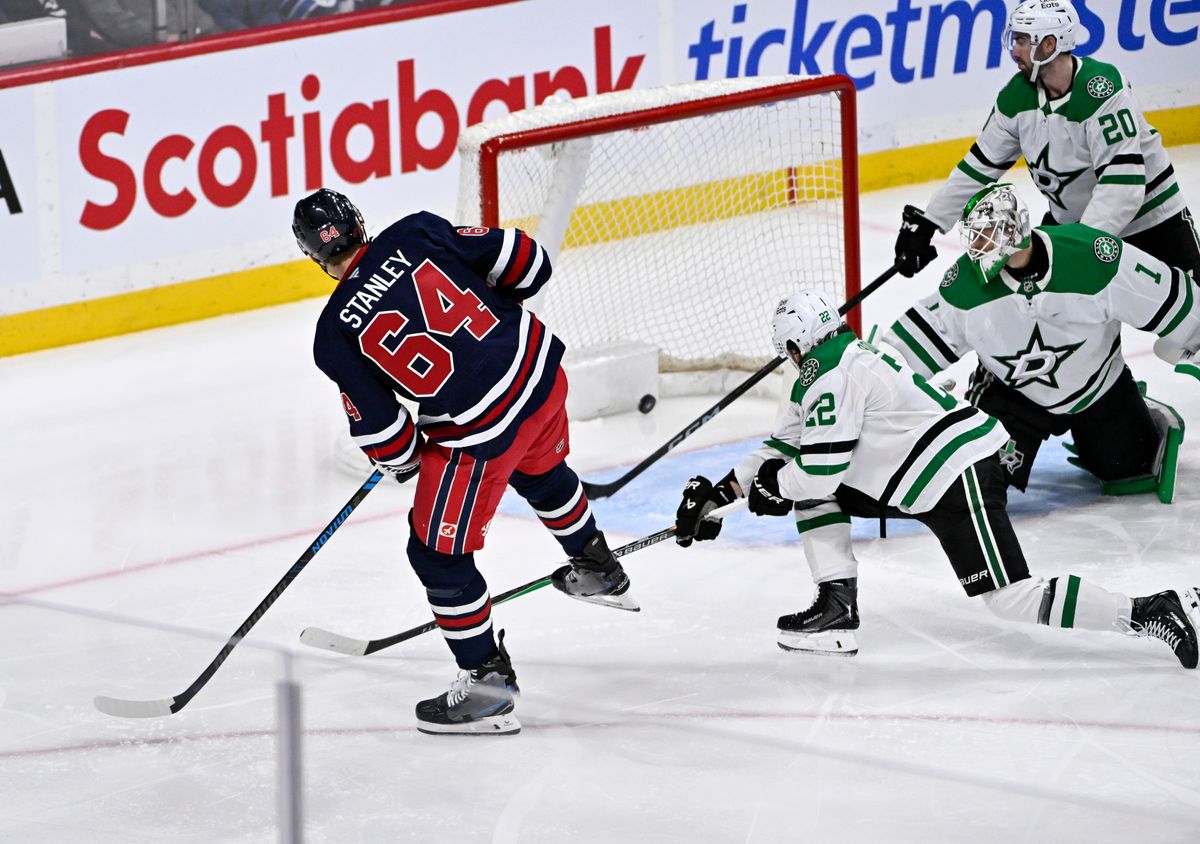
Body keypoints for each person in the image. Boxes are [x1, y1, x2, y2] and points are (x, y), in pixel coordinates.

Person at [673, 289, 1200, 669]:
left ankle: (1150, 609)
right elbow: (783, 449)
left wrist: (775, 487)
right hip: (928, 477)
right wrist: (721, 494)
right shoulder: (839, 364)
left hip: (958, 473)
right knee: (815, 494)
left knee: (1011, 597)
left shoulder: (833, 375)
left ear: (796, 344)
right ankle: (837, 606)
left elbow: (817, 470)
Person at [292, 188, 635, 736]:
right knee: (541, 471)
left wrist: (401, 460)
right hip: (541, 377)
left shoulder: (334, 334)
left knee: (435, 555)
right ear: (358, 222)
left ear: (313, 257)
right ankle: (597, 565)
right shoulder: (416, 230)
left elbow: (388, 439)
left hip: (482, 433)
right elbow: (530, 264)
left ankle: (487, 685)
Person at [885, 183, 1198, 500]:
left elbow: (1168, 299)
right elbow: (915, 341)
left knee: (1129, 469)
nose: (975, 247)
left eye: (984, 234)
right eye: (973, 236)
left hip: (1097, 386)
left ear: (1012, 230)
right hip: (1013, 395)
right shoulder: (965, 286)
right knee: (979, 480)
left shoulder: (1089, 257)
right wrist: (875, 380)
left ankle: (1130, 411)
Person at [893, 0, 1200, 283]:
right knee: (1055, 317)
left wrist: (1078, 247)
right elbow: (978, 167)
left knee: (1195, 310)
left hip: (1151, 221)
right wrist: (930, 221)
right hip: (1073, 229)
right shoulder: (1016, 97)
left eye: (1022, 41)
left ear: (1049, 45)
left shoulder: (1102, 91)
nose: (1014, 51)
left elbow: (1123, 187)